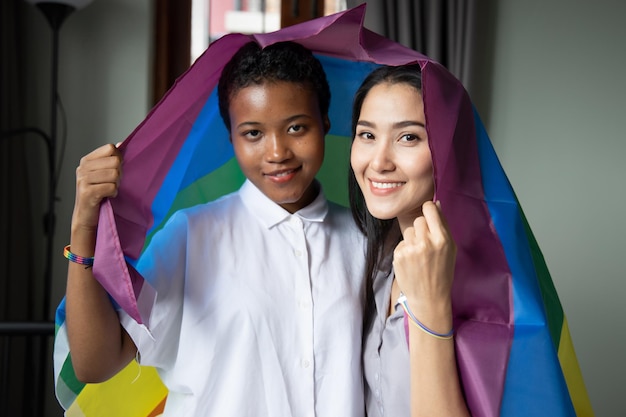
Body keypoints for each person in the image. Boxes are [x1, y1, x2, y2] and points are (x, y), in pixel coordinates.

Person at [64, 41, 365, 416]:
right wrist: (83, 225)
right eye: (253, 133)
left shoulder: (366, 241)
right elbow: (94, 364)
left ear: (325, 124)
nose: (276, 152)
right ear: (231, 139)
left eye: (296, 127)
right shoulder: (191, 235)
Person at [348, 64, 471, 417]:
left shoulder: (478, 280)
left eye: (408, 137)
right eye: (367, 135)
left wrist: (430, 305)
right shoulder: (380, 263)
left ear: (449, 149)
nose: (379, 162)